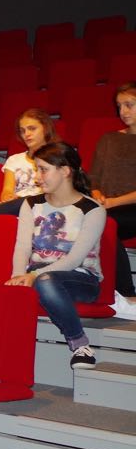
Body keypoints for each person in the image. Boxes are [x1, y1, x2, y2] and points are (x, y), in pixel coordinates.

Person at [7, 142, 107, 369]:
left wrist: (32, 277)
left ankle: (80, 345)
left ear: (65, 171)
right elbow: (22, 247)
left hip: (80, 279)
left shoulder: (92, 210)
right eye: (36, 170)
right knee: (14, 288)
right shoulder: (31, 204)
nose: (37, 177)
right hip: (37, 276)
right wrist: (18, 276)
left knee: (45, 281)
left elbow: (74, 259)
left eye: (43, 170)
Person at [90, 81, 136, 301]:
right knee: (100, 223)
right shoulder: (108, 139)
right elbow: (94, 179)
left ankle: (128, 294)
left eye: (129, 105)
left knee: (103, 222)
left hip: (129, 208)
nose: (123, 111)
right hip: (107, 208)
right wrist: (97, 193)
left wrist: (112, 203)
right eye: (119, 106)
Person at [0, 108, 57, 216]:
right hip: (17, 207)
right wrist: (8, 196)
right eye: (22, 131)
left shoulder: (59, 158)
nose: (26, 134)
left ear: (45, 128)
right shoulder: (14, 160)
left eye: (32, 129)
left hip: (44, 205)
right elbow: (7, 190)